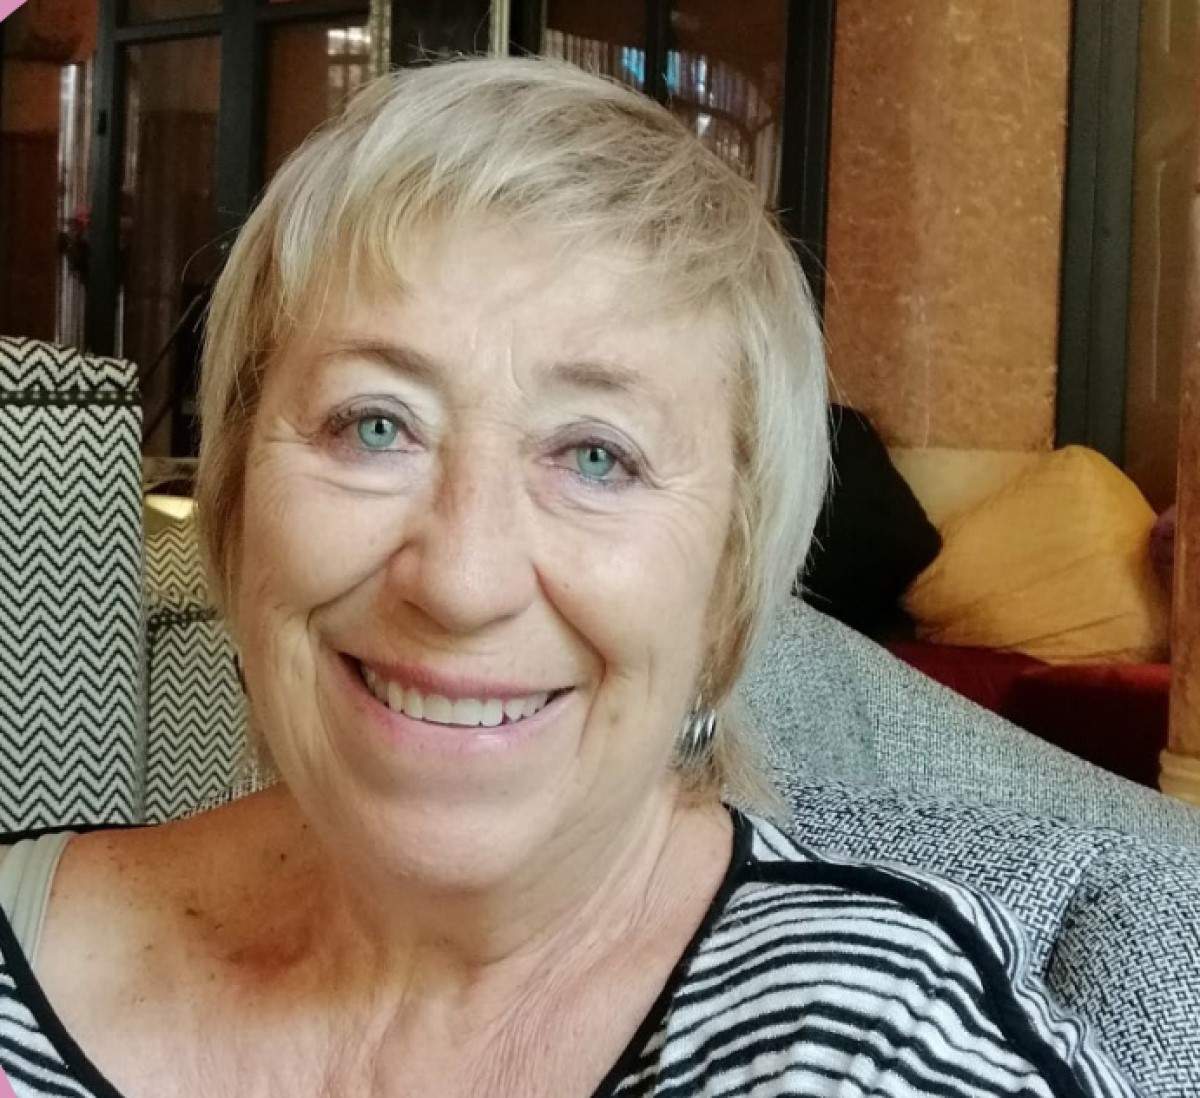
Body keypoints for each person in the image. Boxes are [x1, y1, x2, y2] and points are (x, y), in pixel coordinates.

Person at [0, 58, 1137, 1097]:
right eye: (376, 425)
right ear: (237, 499)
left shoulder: (872, 1045)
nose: (462, 580)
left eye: (597, 456)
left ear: (727, 587)